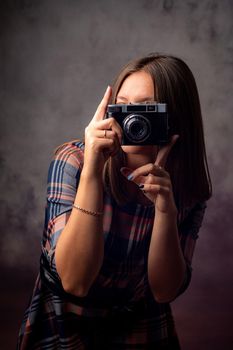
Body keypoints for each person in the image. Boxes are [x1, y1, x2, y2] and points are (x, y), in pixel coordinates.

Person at [17, 53, 212, 349]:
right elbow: (75, 281)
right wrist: (93, 172)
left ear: (175, 116)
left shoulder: (186, 187)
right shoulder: (74, 161)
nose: (131, 118)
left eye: (146, 108)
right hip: (65, 325)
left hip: (141, 326)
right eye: (123, 105)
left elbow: (163, 291)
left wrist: (164, 211)